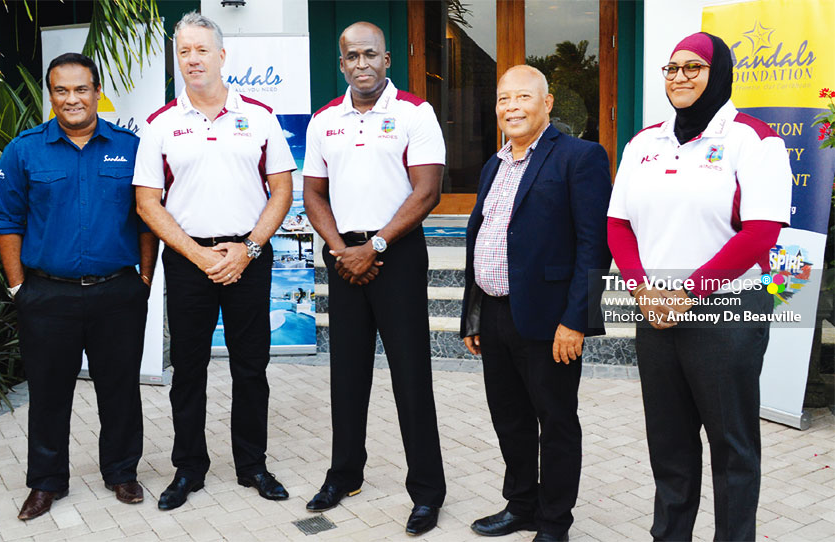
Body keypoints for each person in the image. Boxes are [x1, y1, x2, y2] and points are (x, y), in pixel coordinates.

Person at [607, 32, 792, 541]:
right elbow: (618, 224)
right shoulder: (644, 142)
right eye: (671, 68)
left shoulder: (754, 141)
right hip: (655, 311)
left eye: (694, 67)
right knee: (669, 445)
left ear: (719, 74)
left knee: (732, 447)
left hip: (725, 312)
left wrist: (688, 292)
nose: (680, 77)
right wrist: (642, 288)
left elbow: (761, 233)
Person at [132, 12, 294, 510]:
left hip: (248, 256)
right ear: (176, 59)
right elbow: (147, 202)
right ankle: (189, 469)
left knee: (251, 367)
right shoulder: (161, 124)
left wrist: (247, 250)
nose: (193, 59)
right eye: (184, 51)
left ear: (222, 56)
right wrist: (198, 253)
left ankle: (253, 465)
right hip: (188, 260)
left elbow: (283, 189)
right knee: (189, 369)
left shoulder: (260, 116)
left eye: (202, 49)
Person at [0, 52, 155, 520]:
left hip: (117, 292)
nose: (72, 99)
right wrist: (20, 288)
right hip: (47, 294)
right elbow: (7, 222)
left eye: (81, 88)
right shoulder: (24, 150)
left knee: (120, 389)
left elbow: (147, 219)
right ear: (51, 95)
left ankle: (122, 473)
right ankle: (46, 483)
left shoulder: (131, 147)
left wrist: (142, 279)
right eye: (61, 90)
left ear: (98, 92)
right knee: (48, 393)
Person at [302, 21, 446, 537]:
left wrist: (376, 246)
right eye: (351, 56)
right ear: (341, 64)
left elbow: (427, 190)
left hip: (397, 256)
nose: (361, 63)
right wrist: (343, 250)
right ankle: (345, 475)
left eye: (370, 54)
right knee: (347, 374)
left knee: (411, 377)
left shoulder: (414, 112)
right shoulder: (325, 120)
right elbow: (313, 193)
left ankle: (427, 492)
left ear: (387, 59)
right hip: (344, 258)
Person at [460, 65, 611, 542]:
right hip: (497, 311)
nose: (511, 107)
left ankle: (553, 523)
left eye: (523, 97)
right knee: (510, 419)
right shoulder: (494, 165)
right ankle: (521, 505)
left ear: (547, 104)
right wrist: (475, 313)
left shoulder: (580, 157)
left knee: (557, 422)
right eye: (504, 99)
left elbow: (594, 245)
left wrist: (577, 320)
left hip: (551, 319)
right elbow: (481, 239)